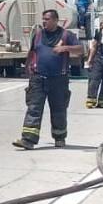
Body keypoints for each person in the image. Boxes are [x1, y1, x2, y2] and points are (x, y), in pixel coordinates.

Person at [13, 9, 83, 150]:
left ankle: (59, 137)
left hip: (59, 80)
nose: (44, 21)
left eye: (47, 19)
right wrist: (27, 68)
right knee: (33, 109)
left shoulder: (66, 35)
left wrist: (65, 48)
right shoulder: (38, 35)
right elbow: (32, 52)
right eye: (43, 19)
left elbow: (81, 49)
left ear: (56, 20)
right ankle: (28, 140)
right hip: (38, 78)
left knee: (59, 110)